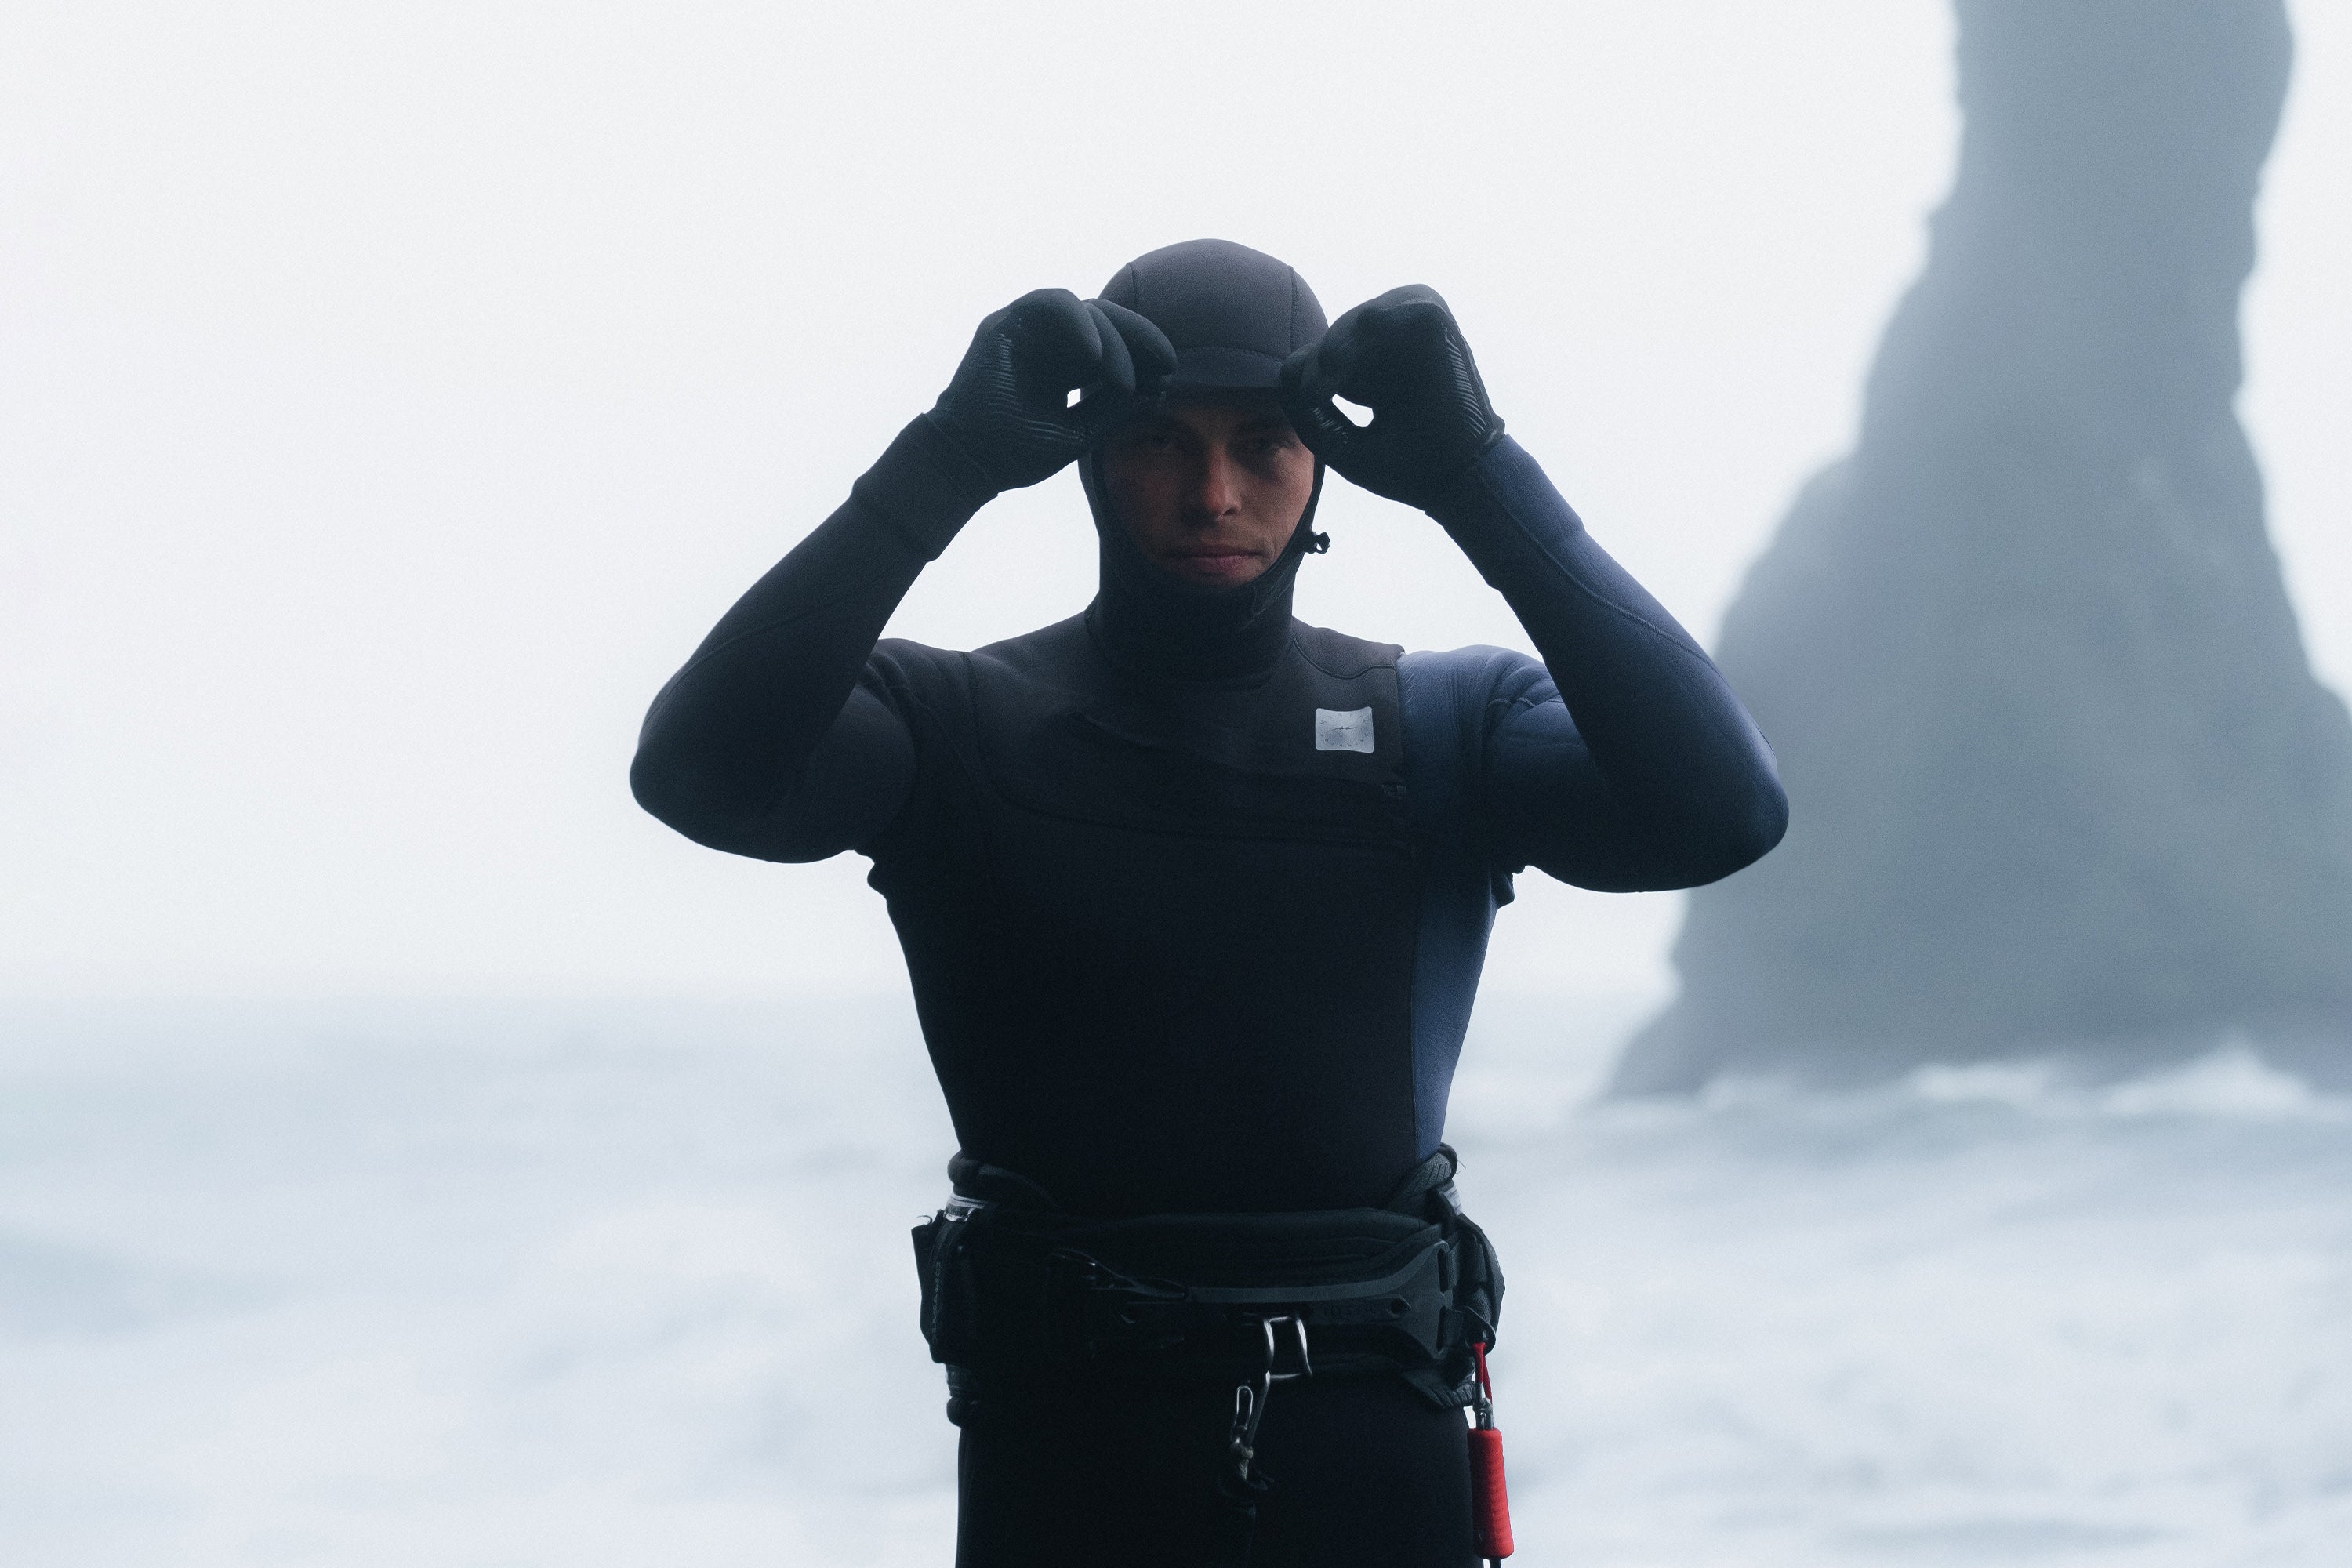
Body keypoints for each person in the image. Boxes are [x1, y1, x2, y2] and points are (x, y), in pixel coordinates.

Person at [630, 239, 1788, 1566]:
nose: (1214, 493)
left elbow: (1723, 813)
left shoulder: (1443, 727)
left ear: (1323, 463)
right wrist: (946, 457)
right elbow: (698, 776)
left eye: (1264, 445)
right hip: (1069, 1470)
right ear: (1089, 461)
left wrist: (1478, 474)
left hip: (1382, 1459)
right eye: (1159, 444)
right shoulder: (955, 727)